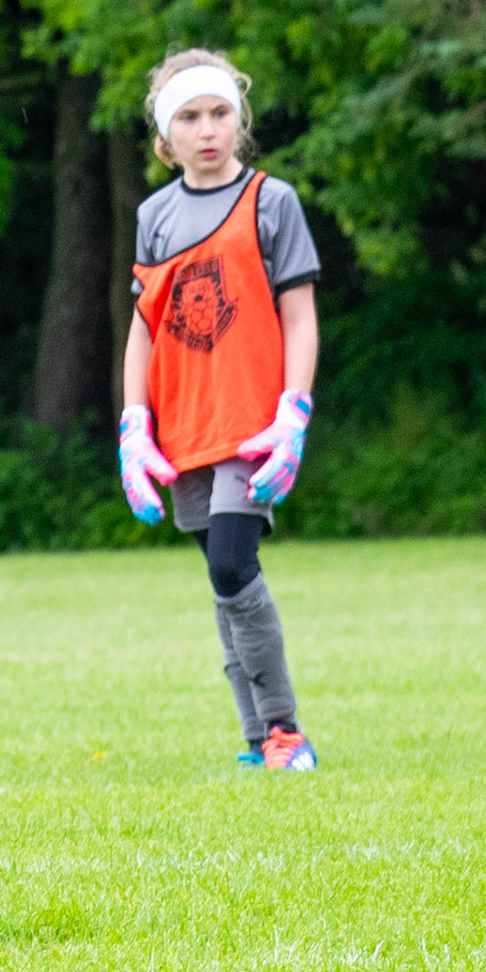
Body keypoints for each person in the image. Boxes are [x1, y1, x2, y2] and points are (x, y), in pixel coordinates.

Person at [117, 48, 323, 772]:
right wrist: (132, 427)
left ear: (240, 120)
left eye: (219, 113)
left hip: (251, 425)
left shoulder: (274, 202)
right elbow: (144, 327)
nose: (207, 130)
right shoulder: (153, 216)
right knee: (222, 579)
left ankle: (283, 732)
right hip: (183, 431)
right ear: (163, 139)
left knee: (234, 567)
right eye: (189, 117)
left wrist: (293, 414)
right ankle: (255, 739)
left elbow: (300, 318)